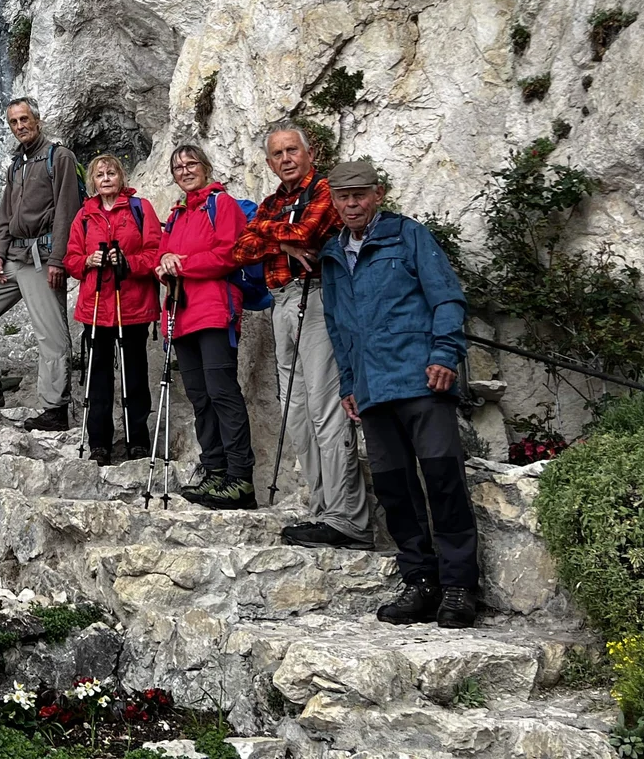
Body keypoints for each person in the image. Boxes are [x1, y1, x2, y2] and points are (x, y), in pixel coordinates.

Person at [320, 159, 480, 628]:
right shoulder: (333, 255)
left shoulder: (409, 236)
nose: (351, 204)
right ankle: (421, 581)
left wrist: (445, 354)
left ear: (378, 194)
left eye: (360, 195)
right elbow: (338, 326)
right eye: (343, 197)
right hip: (371, 389)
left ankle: (458, 587)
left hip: (421, 380)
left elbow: (446, 298)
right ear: (333, 202)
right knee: (395, 491)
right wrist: (349, 382)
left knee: (443, 481)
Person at [229, 123, 374, 548]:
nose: (286, 159)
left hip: (316, 299)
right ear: (270, 162)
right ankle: (321, 508)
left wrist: (269, 237)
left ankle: (348, 518)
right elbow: (239, 249)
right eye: (277, 154)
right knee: (296, 412)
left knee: (326, 408)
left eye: (292, 150)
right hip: (281, 301)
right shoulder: (274, 201)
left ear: (308, 154)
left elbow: (306, 234)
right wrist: (280, 245)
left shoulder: (326, 190)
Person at [155, 142, 255, 509]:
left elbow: (231, 253)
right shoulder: (177, 214)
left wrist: (180, 264)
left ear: (206, 167)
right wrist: (164, 264)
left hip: (214, 311)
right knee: (199, 396)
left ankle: (240, 479)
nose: (184, 170)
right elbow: (161, 257)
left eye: (191, 163)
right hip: (181, 316)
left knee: (222, 392)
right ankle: (215, 471)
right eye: (177, 167)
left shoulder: (222, 205)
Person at [0, 99, 78, 429]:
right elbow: (5, 216)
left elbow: (67, 213)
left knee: (51, 334)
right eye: (14, 122)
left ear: (38, 120)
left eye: (24, 119)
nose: (20, 126)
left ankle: (54, 408)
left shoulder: (60, 158)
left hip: (42, 260)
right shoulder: (17, 164)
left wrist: (59, 259)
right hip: (13, 258)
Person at [63, 153, 162, 463]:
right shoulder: (84, 215)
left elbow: (156, 251)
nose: (105, 178)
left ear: (122, 178)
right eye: (99, 174)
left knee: (135, 374)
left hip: (132, 304)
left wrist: (129, 263)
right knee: (98, 377)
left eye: (111, 173)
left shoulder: (139, 209)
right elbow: (71, 259)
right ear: (92, 181)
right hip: (96, 306)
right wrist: (88, 261)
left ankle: (137, 440)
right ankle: (99, 441)